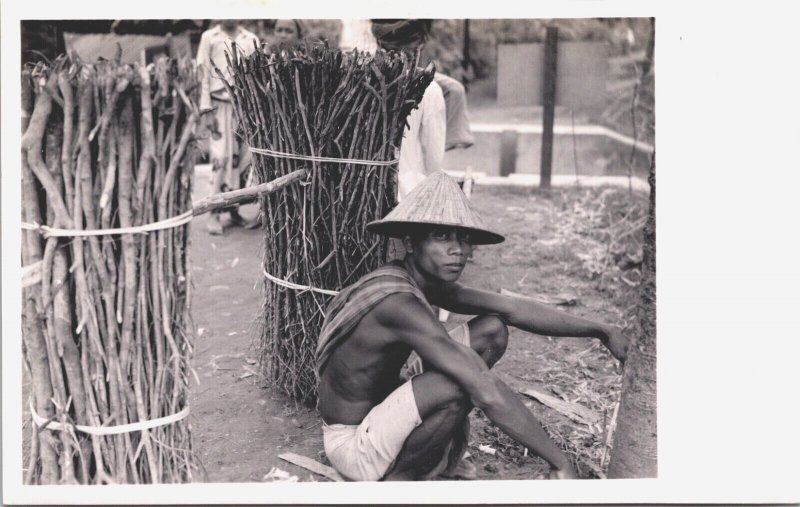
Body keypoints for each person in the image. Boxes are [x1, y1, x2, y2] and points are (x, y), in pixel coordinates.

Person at [316, 171, 628, 481]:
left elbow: (511, 308)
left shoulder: (423, 282)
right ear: (410, 243)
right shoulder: (398, 303)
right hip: (354, 445)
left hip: (382, 411)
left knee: (491, 330)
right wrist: (560, 462)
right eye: (441, 236)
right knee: (461, 381)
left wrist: (601, 330)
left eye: (464, 238)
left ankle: (422, 452)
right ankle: (400, 482)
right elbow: (482, 384)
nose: (458, 250)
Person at [196, 20, 260, 235]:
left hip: (243, 106)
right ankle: (213, 213)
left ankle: (234, 210)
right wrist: (206, 110)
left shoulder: (249, 39)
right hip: (218, 105)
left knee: (241, 160)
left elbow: (256, 72)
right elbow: (203, 72)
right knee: (220, 158)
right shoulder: (210, 37)